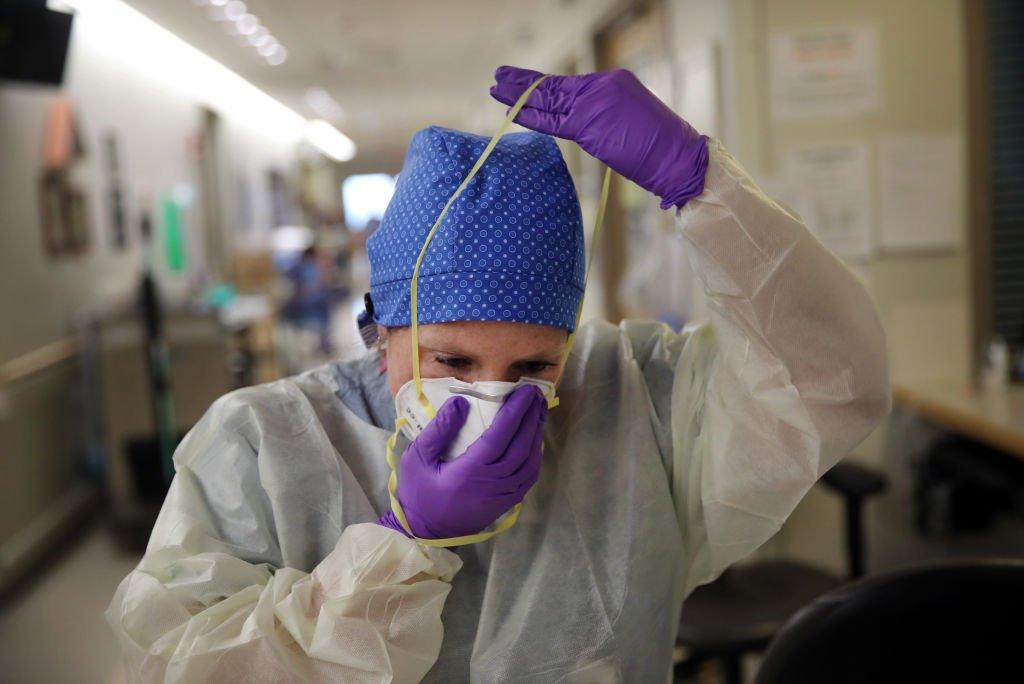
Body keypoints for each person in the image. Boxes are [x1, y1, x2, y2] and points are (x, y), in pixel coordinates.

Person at [106, 67, 890, 682]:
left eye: (534, 366)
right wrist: (398, 550)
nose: (490, 394)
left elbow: (829, 382)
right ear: (380, 332)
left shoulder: (633, 402)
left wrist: (704, 186)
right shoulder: (265, 444)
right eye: (450, 361)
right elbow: (179, 667)